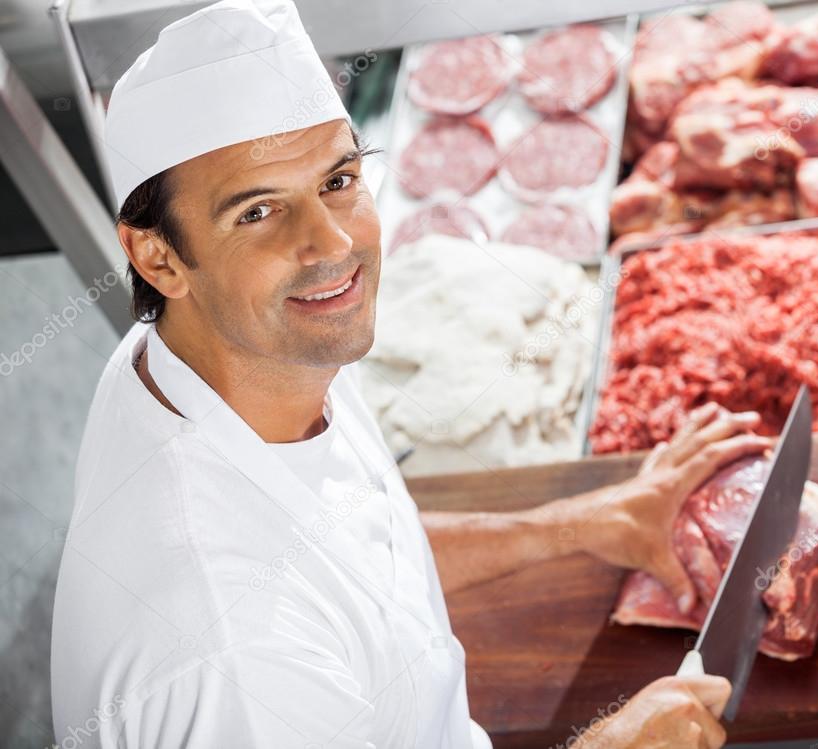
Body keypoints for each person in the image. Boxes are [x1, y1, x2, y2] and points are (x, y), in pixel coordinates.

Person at [49, 1, 772, 746]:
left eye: (337, 180)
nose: (331, 242)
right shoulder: (236, 662)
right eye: (259, 211)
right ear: (157, 256)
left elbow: (350, 550)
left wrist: (588, 524)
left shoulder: (220, 357)